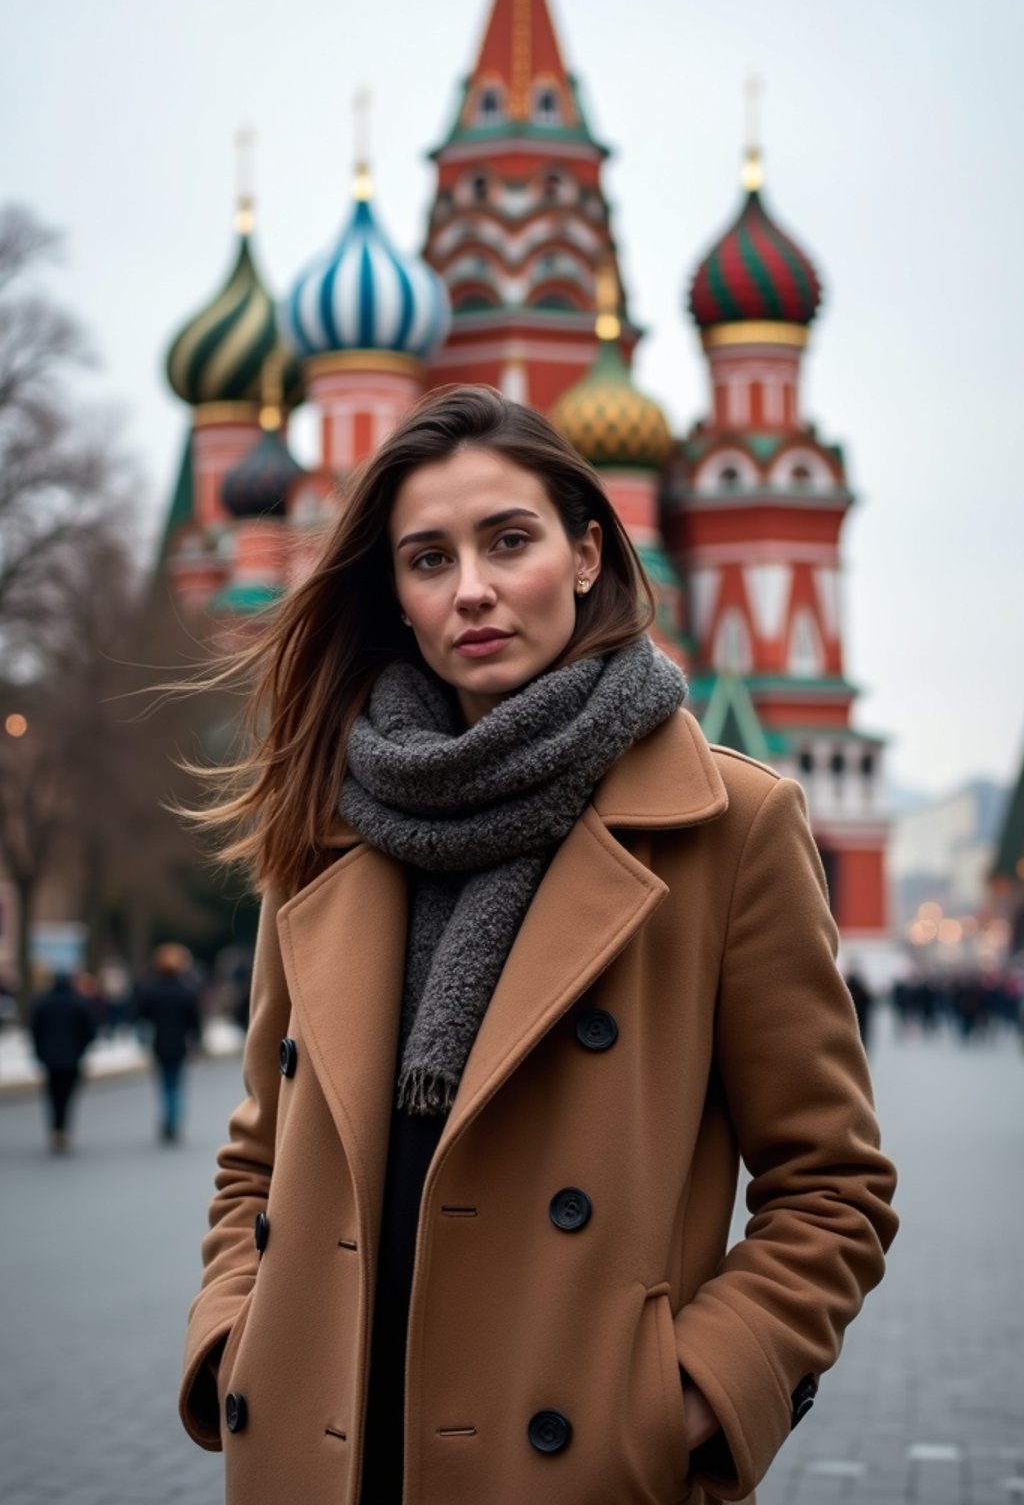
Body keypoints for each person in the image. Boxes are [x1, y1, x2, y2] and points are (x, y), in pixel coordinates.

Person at [178, 387, 898, 1505]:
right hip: (318, 1454)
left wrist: (689, 1396)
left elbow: (832, 1186)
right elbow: (257, 1162)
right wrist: (235, 1334)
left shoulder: (726, 826)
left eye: (507, 541)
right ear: (398, 599)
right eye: (427, 559)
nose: (471, 588)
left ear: (583, 555)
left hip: (571, 1463)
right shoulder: (323, 825)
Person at [135, 943, 202, 1142]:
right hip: (179, 1044)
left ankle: (168, 1118)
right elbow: (195, 1021)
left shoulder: (152, 990)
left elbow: (141, 1014)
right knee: (176, 1083)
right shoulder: (186, 991)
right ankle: (173, 1119)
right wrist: (197, 1042)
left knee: (164, 1083)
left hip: (160, 1042)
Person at [30, 968, 96, 1152]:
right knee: (67, 1095)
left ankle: (56, 1127)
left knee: (52, 1094)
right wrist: (82, 1048)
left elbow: (35, 1030)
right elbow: (89, 1031)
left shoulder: (43, 1003)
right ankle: (63, 1128)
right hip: (72, 1057)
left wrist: (39, 1052)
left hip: (50, 1057)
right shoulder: (79, 1003)